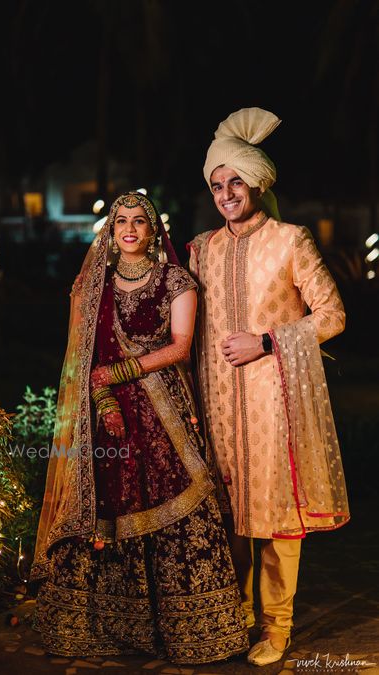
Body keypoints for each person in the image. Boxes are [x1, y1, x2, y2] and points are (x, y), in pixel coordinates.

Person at [29, 191, 249, 664]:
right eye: (121, 221)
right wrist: (105, 397)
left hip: (163, 409)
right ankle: (115, 625)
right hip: (108, 415)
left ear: (153, 230)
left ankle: (192, 629)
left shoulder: (176, 279)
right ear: (111, 229)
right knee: (111, 509)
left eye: (139, 221)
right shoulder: (94, 285)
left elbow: (181, 347)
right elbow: (86, 360)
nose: (129, 229)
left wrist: (123, 374)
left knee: (184, 502)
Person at [187, 108, 350, 666]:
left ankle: (275, 627)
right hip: (216, 406)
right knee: (227, 517)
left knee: (277, 519)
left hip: (274, 402)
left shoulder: (289, 241)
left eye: (236, 181)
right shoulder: (201, 249)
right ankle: (232, 619)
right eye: (217, 185)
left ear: (257, 182)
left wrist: (267, 341)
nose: (227, 193)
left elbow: (332, 315)